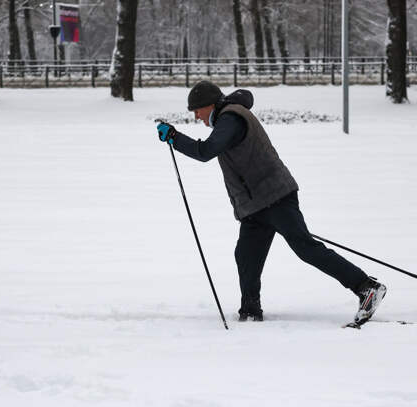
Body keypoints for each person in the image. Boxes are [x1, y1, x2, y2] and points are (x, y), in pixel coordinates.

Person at [156, 80, 386, 325]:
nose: (196, 117)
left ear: (209, 104)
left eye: (197, 111)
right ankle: (250, 310)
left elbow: (206, 151)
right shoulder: (227, 117)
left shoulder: (231, 118)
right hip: (256, 207)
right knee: (246, 255)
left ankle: (366, 287)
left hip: (275, 198)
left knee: (306, 249)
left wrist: (174, 137)